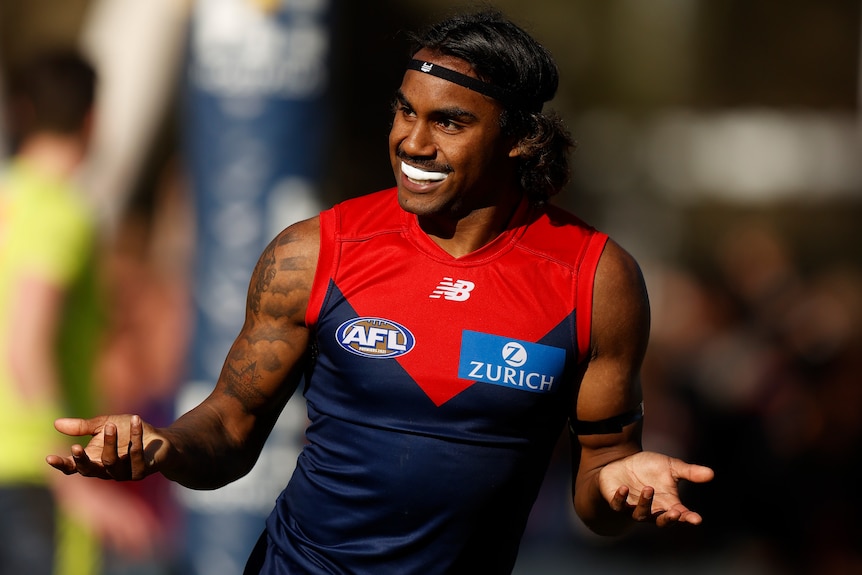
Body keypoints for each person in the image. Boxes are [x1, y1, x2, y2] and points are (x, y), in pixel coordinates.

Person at [47, 11, 714, 574]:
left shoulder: (596, 278)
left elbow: (600, 483)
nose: (412, 142)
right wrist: (163, 445)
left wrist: (624, 487)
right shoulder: (315, 251)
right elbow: (229, 424)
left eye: (448, 122)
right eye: (404, 111)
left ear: (516, 139)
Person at [1, 50, 161, 575]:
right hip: (31, 474)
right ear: (93, 120)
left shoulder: (10, 199)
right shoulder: (61, 214)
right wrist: (69, 475)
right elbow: (25, 342)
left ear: (23, 111)